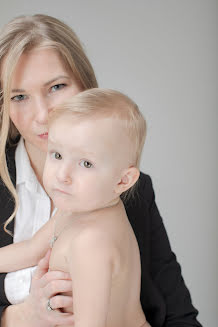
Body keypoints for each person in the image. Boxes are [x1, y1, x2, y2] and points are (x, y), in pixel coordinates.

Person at [0, 14, 202, 327]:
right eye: (20, 96)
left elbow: (180, 317)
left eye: (56, 86)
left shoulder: (119, 201)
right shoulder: (67, 209)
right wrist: (21, 317)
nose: (42, 116)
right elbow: (28, 250)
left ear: (86, 87)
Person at [0, 88, 150, 327]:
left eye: (86, 163)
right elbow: (30, 250)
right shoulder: (76, 209)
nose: (63, 175)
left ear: (123, 181)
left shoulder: (91, 242)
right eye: (57, 155)